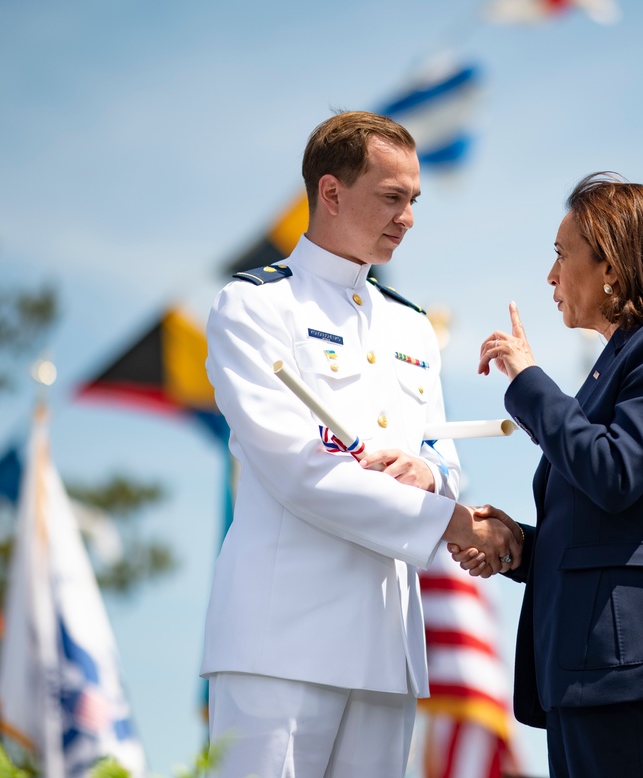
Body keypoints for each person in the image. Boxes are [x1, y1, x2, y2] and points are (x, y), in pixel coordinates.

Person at [200, 111, 520, 778]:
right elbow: (298, 469)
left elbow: (443, 459)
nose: (407, 217)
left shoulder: (411, 327)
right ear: (332, 192)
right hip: (277, 646)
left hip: (384, 651)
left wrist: (432, 480)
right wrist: (456, 523)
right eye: (391, 197)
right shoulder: (254, 309)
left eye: (414, 201)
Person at [452, 172, 643, 777]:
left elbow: (613, 471)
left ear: (611, 264)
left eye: (561, 254)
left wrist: (527, 380)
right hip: (594, 666)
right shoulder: (620, 360)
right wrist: (518, 547)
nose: (551, 276)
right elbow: (604, 519)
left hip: (627, 665)